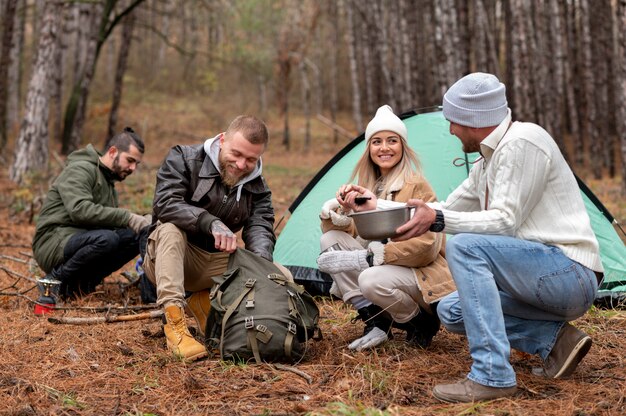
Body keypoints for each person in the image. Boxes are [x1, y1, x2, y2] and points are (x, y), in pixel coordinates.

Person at [390, 73, 603, 402]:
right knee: (451, 310)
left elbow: (505, 221)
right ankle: (556, 341)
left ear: (472, 120)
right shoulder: (488, 161)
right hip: (538, 277)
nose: (450, 130)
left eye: (453, 122)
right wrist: (373, 206)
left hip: (569, 274)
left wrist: (439, 219)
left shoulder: (523, 142)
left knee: (464, 245)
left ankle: (492, 375)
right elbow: (443, 208)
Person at [316, 105, 455, 352]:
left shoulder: (416, 186)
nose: (384, 148)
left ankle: (420, 323)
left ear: (402, 146)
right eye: (376, 141)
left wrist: (371, 257)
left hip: (419, 276)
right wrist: (338, 213)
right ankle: (376, 322)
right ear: (368, 148)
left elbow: (426, 248)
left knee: (370, 278)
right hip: (384, 272)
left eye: (392, 140)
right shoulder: (366, 186)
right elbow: (359, 236)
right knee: (331, 241)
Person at [142, 115, 277, 362]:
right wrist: (210, 222)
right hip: (171, 259)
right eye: (236, 153)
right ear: (222, 139)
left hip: (214, 265)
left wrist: (261, 266)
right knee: (170, 230)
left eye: (250, 159)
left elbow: (260, 226)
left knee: (277, 273)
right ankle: (175, 327)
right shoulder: (184, 158)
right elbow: (166, 203)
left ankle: (208, 305)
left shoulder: (257, 184)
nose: (240, 164)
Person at [32, 127, 150, 299]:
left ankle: (82, 284)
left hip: (79, 238)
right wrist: (128, 217)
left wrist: (144, 220)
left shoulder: (108, 182)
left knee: (134, 235)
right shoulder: (80, 170)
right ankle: (55, 279)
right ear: (112, 152)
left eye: (136, 164)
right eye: (130, 160)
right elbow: (80, 210)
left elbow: (106, 222)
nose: (133, 168)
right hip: (52, 241)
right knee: (108, 239)